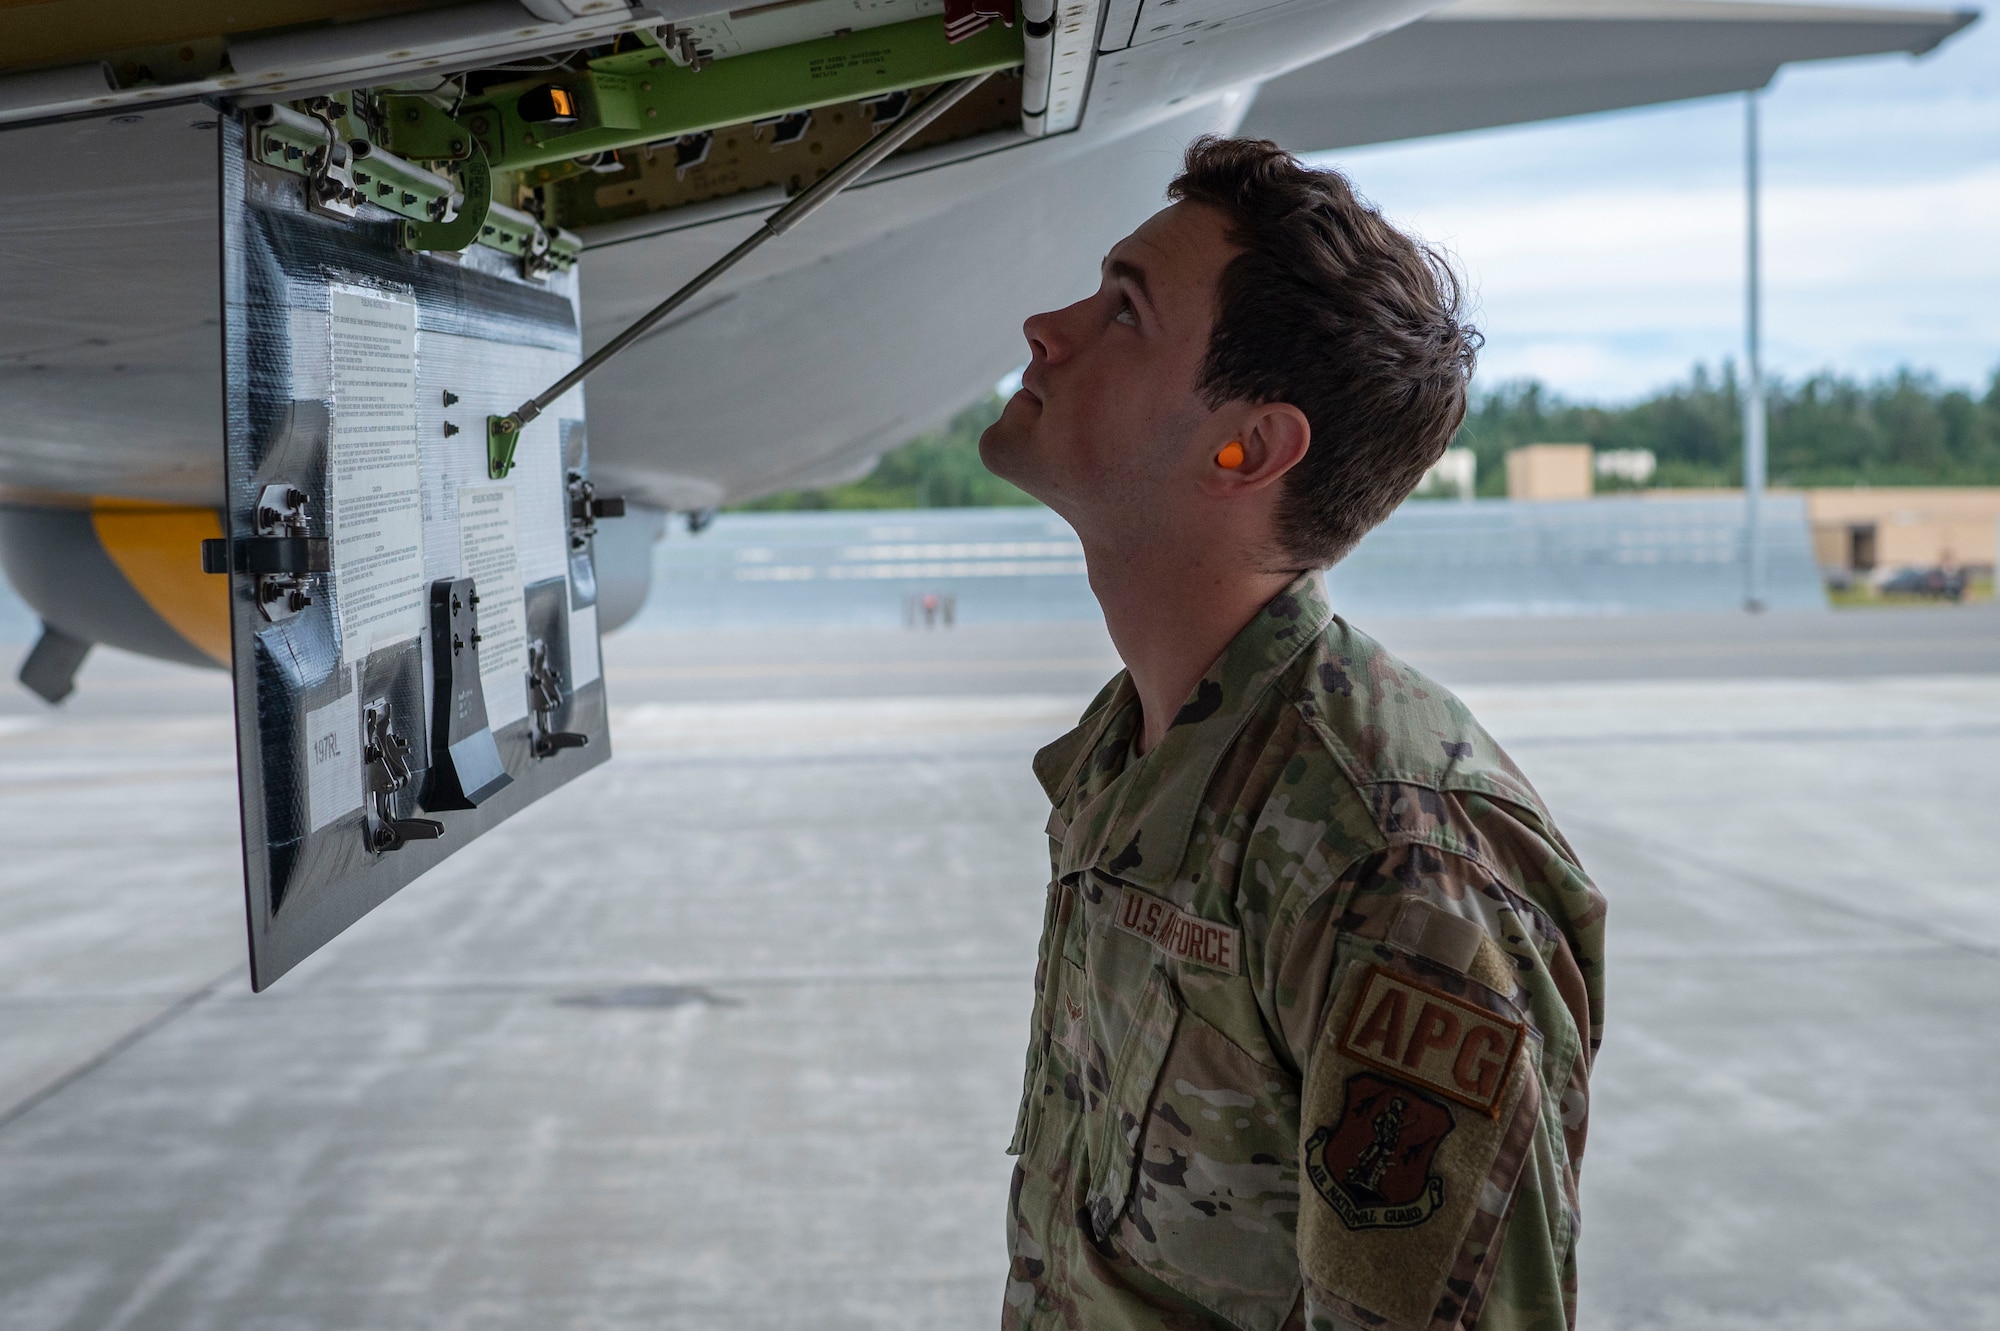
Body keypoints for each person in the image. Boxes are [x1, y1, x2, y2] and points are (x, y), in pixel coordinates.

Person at [978, 137, 1606, 1331]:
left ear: (1248, 448)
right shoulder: (1133, 755)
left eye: (1122, 309)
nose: (1044, 325)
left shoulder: (1389, 855)